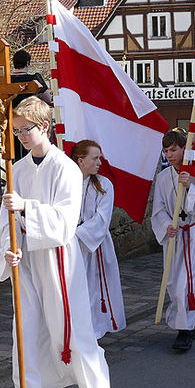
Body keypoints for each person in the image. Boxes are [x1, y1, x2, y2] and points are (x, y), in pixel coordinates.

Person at [0, 96, 110, 388]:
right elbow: (6, 218)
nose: (19, 137)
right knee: (25, 333)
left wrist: (27, 207)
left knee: (69, 333)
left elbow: (63, 223)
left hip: (59, 261)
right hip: (28, 261)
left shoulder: (66, 169)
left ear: (44, 126)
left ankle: (94, 383)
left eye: (25, 129)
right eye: (15, 131)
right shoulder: (18, 169)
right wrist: (8, 250)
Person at [152, 128, 195, 351]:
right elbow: (158, 209)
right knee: (172, 281)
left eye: (173, 150)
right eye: (166, 151)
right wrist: (165, 226)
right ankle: (191, 323)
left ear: (184, 149)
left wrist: (190, 187)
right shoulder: (162, 177)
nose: (169, 155)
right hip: (174, 236)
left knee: (188, 282)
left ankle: (184, 331)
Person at [71, 139, 126, 339]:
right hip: (70, 246)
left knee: (94, 289)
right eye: (95, 158)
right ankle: (77, 331)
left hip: (95, 244)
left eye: (99, 158)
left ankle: (94, 332)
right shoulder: (66, 182)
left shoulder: (104, 185)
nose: (99, 162)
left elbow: (102, 218)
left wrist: (76, 234)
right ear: (80, 160)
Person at [10, 50, 52, 160]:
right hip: (32, 123)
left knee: (18, 160)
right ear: (28, 63)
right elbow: (48, 98)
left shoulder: (7, 81)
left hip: (13, 125)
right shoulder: (34, 79)